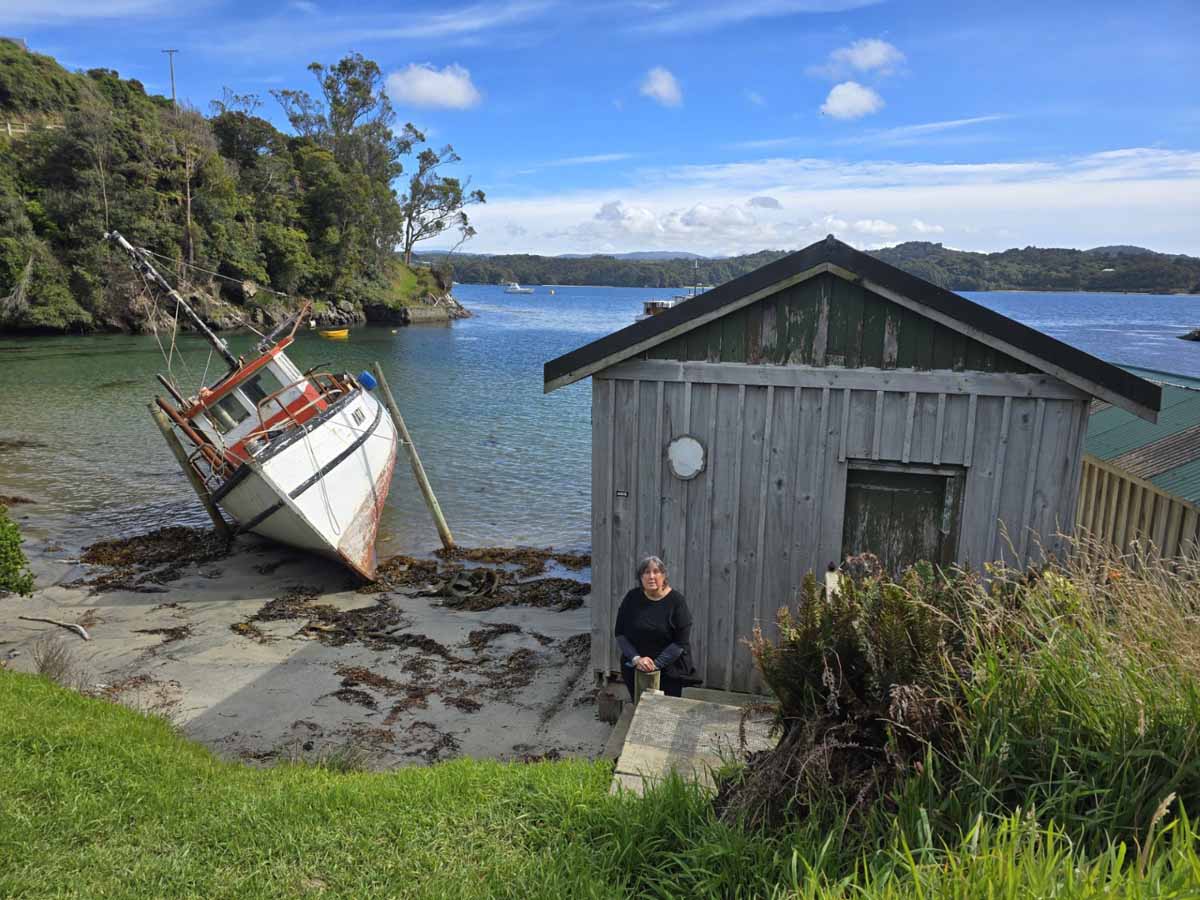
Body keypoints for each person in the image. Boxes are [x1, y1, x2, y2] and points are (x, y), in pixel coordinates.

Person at [614, 556, 698, 699]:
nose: (651, 577)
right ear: (640, 577)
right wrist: (637, 659)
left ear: (664, 575)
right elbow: (620, 633)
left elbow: (680, 642)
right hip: (636, 666)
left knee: (665, 711)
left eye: (656, 571)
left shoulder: (677, 601)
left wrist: (654, 665)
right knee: (639, 706)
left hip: (670, 669)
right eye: (646, 572)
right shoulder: (632, 597)